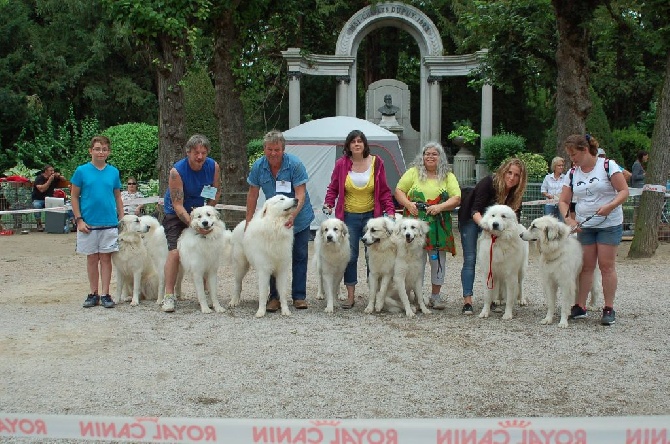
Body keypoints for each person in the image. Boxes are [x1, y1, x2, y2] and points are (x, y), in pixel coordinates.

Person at [558, 134, 629, 326]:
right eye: (570, 155)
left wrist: (610, 206)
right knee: (586, 266)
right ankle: (580, 306)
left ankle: (608, 307)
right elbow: (563, 201)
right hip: (585, 226)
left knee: (606, 266)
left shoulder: (607, 165)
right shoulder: (573, 173)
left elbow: (624, 191)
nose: (572, 159)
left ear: (585, 150)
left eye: (574, 154)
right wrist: (568, 219)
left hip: (608, 224)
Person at [324, 129, 396, 309]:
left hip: (372, 217)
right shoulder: (341, 164)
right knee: (351, 256)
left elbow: (385, 191)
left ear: (364, 144)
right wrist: (329, 203)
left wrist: (391, 211)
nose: (357, 144)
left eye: (360, 141)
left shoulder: (377, 162)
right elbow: (333, 188)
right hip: (348, 216)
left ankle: (375, 297)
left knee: (372, 256)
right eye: (353, 141)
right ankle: (350, 296)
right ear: (348, 146)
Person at [246, 129, 314, 312]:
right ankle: (274, 297)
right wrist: (249, 221)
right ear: (264, 149)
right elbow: (252, 195)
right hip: (275, 220)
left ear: (283, 149)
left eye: (277, 149)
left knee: (299, 256)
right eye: (269, 149)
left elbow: (300, 194)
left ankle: (299, 296)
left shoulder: (295, 165)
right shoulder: (258, 166)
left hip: (299, 216)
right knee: (273, 255)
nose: (273, 153)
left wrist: (293, 216)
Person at [394, 142, 461, 309]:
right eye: (427, 154)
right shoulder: (413, 172)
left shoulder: (448, 176)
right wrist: (409, 205)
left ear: (441, 158)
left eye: (434, 154)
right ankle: (417, 296)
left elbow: (456, 197)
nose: (430, 157)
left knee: (437, 261)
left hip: (439, 225)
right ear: (422, 157)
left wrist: (440, 207)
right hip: (414, 222)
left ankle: (435, 296)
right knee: (416, 259)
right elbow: (399, 191)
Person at [457, 158, 527, 315]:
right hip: (472, 218)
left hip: (495, 225)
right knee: (470, 258)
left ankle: (493, 299)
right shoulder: (489, 182)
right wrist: (486, 227)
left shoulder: (516, 193)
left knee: (497, 262)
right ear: (503, 171)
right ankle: (468, 301)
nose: (511, 177)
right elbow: (475, 210)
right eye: (509, 173)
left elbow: (516, 219)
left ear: (520, 179)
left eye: (516, 175)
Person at [161, 134, 221, 313]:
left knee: (206, 252)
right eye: (196, 153)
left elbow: (215, 192)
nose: (200, 157)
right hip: (177, 213)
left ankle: (205, 293)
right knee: (175, 251)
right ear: (188, 152)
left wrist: (207, 216)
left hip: (201, 210)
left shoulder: (213, 166)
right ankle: (169, 296)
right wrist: (193, 224)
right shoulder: (176, 171)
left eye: (203, 152)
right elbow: (177, 204)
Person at [70, 136, 124, 309]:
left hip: (109, 221)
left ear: (109, 152)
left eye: (104, 149)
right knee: (92, 258)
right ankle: (93, 292)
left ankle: (106, 293)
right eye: (98, 149)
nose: (101, 152)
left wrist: (121, 218)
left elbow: (117, 196)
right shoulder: (81, 171)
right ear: (91, 150)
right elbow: (74, 196)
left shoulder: (114, 172)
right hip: (88, 222)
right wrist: (79, 219)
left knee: (106, 258)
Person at [31, 165, 62, 231]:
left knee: (61, 203)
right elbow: (42, 189)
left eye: (53, 171)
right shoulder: (39, 178)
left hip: (50, 199)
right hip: (38, 199)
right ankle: (39, 224)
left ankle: (55, 224)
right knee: (36, 205)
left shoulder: (54, 178)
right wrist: (49, 180)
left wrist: (59, 176)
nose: (52, 172)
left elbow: (64, 179)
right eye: (51, 171)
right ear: (46, 171)